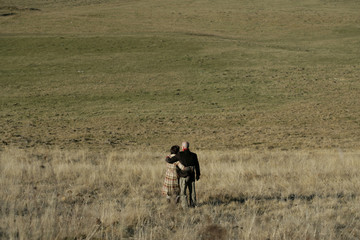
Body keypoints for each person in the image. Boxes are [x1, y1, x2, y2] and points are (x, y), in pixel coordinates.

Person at [166, 141, 200, 209]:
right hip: (192, 176)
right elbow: (197, 166)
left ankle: (185, 206)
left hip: (183, 176)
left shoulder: (179, 154)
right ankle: (193, 205)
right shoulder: (194, 155)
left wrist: (167, 157)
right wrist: (198, 175)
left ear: (183, 147)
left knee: (183, 192)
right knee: (192, 191)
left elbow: (170, 160)